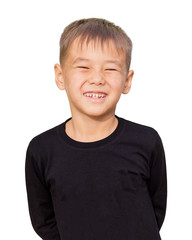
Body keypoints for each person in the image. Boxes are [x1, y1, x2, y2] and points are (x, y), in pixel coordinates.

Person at [25, 18, 167, 240]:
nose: (97, 78)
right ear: (60, 76)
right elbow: (43, 221)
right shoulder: (41, 150)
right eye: (83, 67)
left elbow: (156, 209)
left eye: (110, 69)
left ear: (127, 81)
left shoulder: (146, 140)